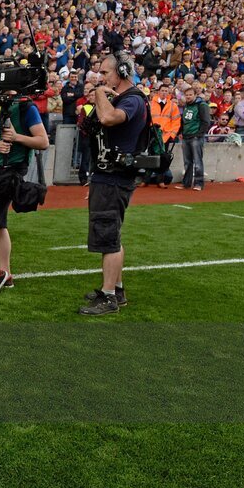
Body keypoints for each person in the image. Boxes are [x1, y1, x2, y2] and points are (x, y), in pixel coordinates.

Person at [79, 52, 149, 316]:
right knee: (111, 234)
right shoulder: (121, 98)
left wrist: (98, 94)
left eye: (105, 73)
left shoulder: (132, 100)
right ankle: (115, 289)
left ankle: (109, 297)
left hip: (114, 177)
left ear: (121, 71)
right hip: (107, 175)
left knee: (108, 236)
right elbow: (89, 128)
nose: (101, 78)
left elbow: (109, 119)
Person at [0, 90, 50, 292]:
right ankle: (5, 273)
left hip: (12, 172)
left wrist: (16, 137)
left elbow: (43, 141)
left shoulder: (25, 106)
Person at [146, 83, 181, 187]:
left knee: (162, 159)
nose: (164, 93)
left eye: (166, 91)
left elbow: (176, 122)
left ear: (168, 93)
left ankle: (160, 181)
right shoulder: (150, 104)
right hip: (152, 135)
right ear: (158, 92)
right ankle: (146, 180)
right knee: (149, 158)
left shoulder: (173, 106)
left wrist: (172, 135)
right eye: (162, 91)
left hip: (165, 136)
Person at [177, 86, 211, 191]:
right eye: (186, 95)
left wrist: (199, 134)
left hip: (196, 137)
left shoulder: (202, 105)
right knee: (187, 162)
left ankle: (199, 183)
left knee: (197, 161)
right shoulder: (186, 106)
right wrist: (181, 132)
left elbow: (206, 122)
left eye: (190, 94)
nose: (188, 96)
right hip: (186, 136)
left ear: (195, 95)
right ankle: (186, 183)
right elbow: (183, 121)